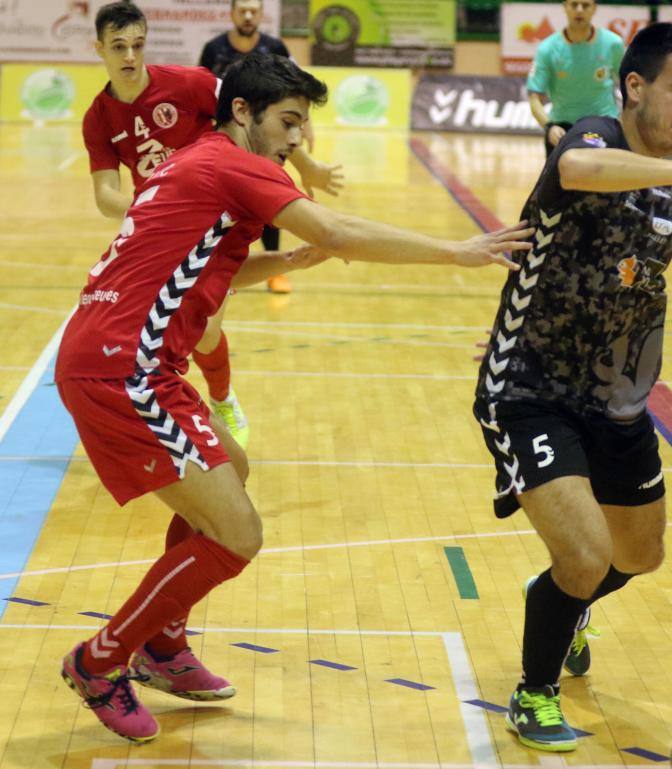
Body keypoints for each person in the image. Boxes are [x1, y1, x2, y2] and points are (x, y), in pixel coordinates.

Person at [56, 51, 534, 744]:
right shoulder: (234, 162)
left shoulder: (198, 161)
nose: (297, 138)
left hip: (128, 357)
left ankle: (162, 642)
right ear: (241, 111)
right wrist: (457, 251)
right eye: (287, 121)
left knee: (234, 467)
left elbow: (204, 269)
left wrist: (283, 262)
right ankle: (100, 660)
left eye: (302, 124)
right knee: (239, 534)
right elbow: (337, 229)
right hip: (122, 367)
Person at [474, 23, 672, 752]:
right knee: (585, 552)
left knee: (639, 555)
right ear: (634, 86)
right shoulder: (594, 138)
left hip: (617, 400)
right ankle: (534, 692)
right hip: (531, 390)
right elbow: (577, 171)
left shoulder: (662, 181)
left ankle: (560, 603)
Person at [82, 1, 340, 447]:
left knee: (204, 331)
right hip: (160, 233)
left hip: (218, 218)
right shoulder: (98, 118)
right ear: (99, 48)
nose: (130, 56)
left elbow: (262, 110)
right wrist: (153, 208)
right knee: (151, 330)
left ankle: (220, 400)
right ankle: (153, 409)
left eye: (138, 45)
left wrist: (307, 166)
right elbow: (105, 195)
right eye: (119, 46)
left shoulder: (188, 83)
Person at [199, 0, 343, 294]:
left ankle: (273, 271)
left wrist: (302, 126)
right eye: (242, 10)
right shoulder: (214, 49)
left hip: (262, 141)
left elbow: (297, 89)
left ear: (261, 15)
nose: (248, 16)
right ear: (232, 13)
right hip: (228, 144)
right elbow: (203, 92)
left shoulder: (274, 47)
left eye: (253, 11)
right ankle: (217, 269)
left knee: (268, 203)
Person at [526, 0, 625, 157]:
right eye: (574, 4)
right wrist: (549, 127)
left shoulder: (613, 43)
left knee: (599, 171)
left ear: (594, 8)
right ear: (565, 7)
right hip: (562, 129)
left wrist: (624, 120)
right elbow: (534, 98)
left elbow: (629, 85)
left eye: (585, 5)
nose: (579, 10)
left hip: (603, 124)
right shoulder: (547, 48)